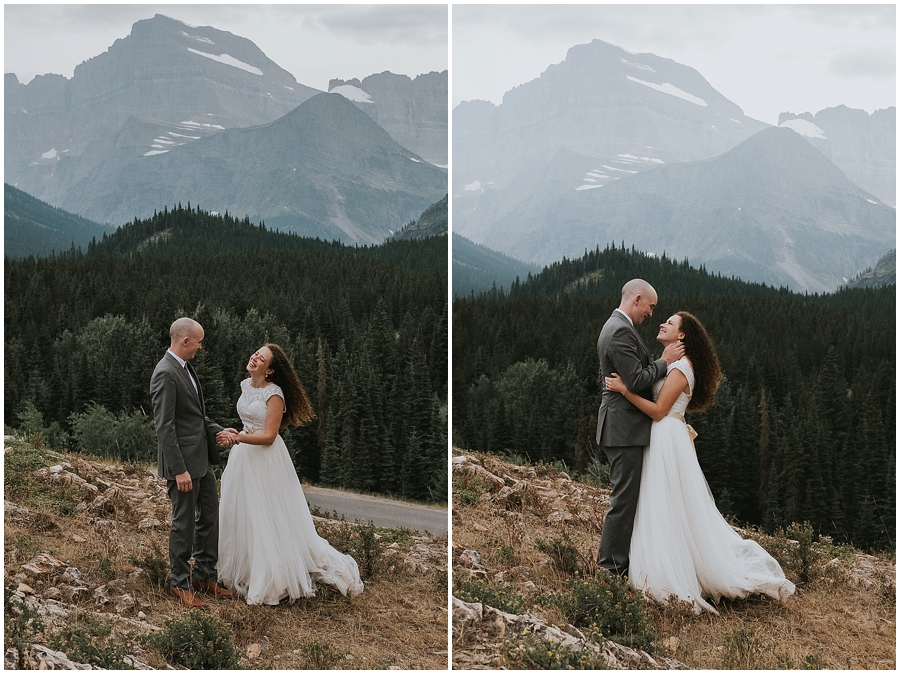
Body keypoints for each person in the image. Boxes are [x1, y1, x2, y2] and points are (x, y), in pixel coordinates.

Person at [605, 311, 795, 613]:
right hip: (666, 436)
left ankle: (668, 573)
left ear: (682, 336)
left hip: (665, 437)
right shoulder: (676, 364)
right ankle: (660, 565)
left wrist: (624, 390)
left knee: (665, 504)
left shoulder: (681, 367)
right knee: (664, 504)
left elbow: (658, 411)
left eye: (670, 322)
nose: (662, 323)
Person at [216, 344, 364, 605]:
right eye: (255, 354)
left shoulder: (275, 395)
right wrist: (237, 430)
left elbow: (270, 436)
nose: (254, 358)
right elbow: (249, 422)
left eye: (260, 358)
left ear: (270, 369)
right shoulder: (246, 385)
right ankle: (245, 567)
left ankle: (271, 573)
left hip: (264, 458)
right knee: (242, 511)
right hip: (243, 455)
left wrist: (239, 437)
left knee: (265, 514)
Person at [595, 279, 684, 578]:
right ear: (637, 299)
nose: (651, 314)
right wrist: (664, 361)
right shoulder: (619, 330)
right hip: (623, 428)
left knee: (628, 497)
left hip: (624, 426)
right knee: (623, 500)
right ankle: (610, 569)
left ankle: (621, 563)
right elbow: (634, 380)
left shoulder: (618, 326)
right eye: (651, 307)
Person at [150, 317, 237, 609]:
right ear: (184, 340)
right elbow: (165, 427)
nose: (201, 347)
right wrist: (179, 470)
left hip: (201, 461)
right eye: (198, 342)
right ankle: (179, 583)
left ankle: (204, 576)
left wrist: (218, 430)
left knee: (211, 517)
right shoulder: (165, 373)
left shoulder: (186, 369)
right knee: (183, 524)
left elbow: (194, 417)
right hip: (184, 467)